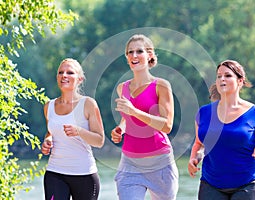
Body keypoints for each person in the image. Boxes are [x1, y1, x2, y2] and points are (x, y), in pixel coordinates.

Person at [188, 60, 255, 200]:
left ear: (240, 81)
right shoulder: (204, 113)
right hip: (211, 184)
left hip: (247, 184)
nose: (222, 79)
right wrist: (194, 157)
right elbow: (200, 144)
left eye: (228, 75)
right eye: (219, 76)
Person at [111, 34, 179, 200]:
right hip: (130, 163)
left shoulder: (161, 85)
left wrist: (134, 111)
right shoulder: (122, 88)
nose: (134, 56)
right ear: (127, 57)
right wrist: (121, 128)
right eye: (130, 52)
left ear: (150, 55)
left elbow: (167, 125)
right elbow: (127, 119)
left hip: (160, 162)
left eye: (139, 51)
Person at [41, 58, 105, 200]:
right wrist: (47, 140)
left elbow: (99, 140)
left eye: (70, 72)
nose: (64, 75)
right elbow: (51, 132)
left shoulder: (88, 104)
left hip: (84, 174)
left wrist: (79, 131)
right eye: (60, 72)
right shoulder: (49, 106)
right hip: (55, 172)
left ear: (80, 79)